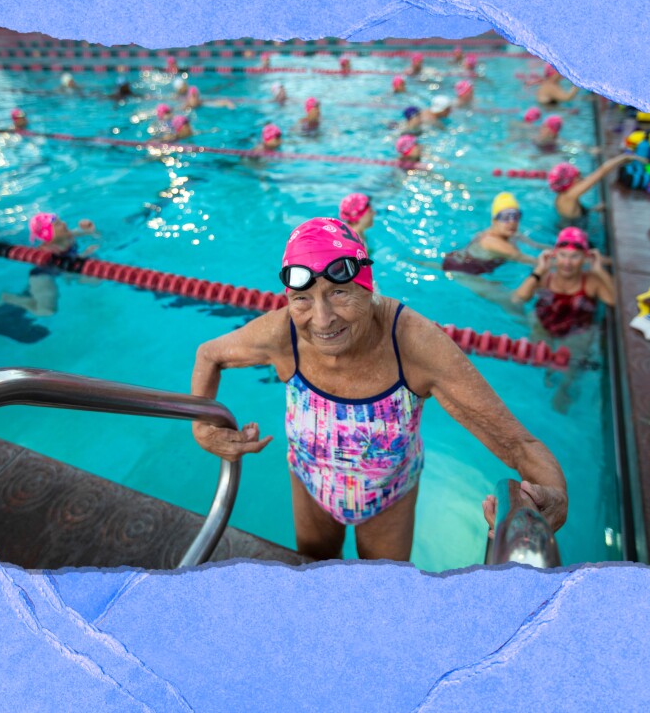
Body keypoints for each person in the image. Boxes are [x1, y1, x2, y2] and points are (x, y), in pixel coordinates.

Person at [190, 217, 567, 561]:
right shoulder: (282, 332)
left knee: (385, 590)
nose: (321, 320)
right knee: (315, 572)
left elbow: (520, 445)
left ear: (367, 287)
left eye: (339, 293)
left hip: (390, 498)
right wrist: (202, 428)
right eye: (303, 298)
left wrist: (553, 495)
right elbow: (208, 355)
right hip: (310, 485)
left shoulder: (414, 345)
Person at [511, 227, 614, 337]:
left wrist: (600, 271)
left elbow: (614, 301)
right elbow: (516, 299)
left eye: (575, 256)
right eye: (562, 255)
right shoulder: (545, 277)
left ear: (585, 258)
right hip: (541, 329)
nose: (567, 263)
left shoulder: (591, 282)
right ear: (554, 255)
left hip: (577, 335)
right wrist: (539, 270)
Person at [0, 213, 99, 317]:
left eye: (61, 221)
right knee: (47, 311)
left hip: (61, 269)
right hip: (42, 275)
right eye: (58, 224)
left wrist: (89, 228)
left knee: (94, 279)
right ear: (48, 235)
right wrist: (85, 253)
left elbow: (91, 233)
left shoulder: (68, 236)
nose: (64, 223)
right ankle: (8, 298)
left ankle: (31, 292)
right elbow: (66, 264)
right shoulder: (48, 250)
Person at [442, 192, 537, 274]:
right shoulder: (492, 241)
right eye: (505, 217)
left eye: (515, 216)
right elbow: (529, 260)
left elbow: (536, 245)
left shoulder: (511, 233)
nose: (511, 222)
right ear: (494, 221)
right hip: (461, 270)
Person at [548, 154, 645, 226]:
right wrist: (622, 158)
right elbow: (601, 172)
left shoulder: (564, 195)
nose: (581, 177)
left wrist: (593, 210)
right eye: (577, 176)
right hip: (573, 230)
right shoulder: (569, 195)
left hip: (571, 224)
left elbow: (574, 213)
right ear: (569, 182)